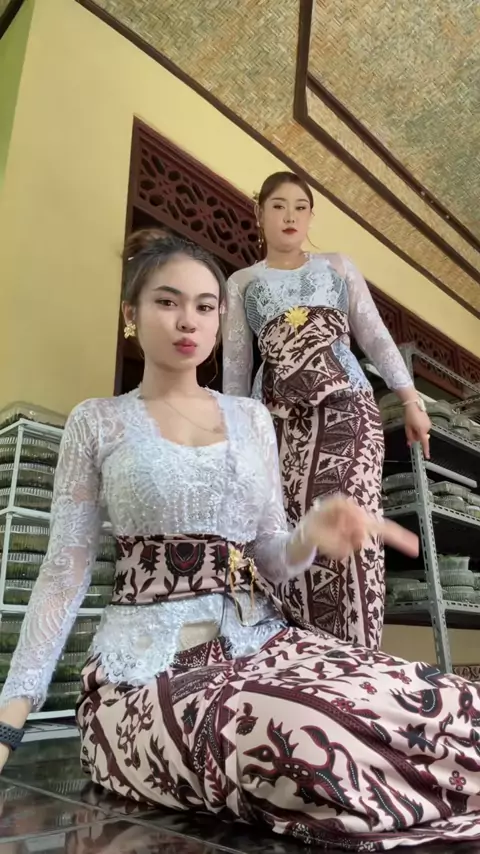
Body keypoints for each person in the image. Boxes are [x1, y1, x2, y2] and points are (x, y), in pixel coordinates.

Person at [0, 232, 478, 851]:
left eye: (205, 306)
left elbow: (268, 557)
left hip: (262, 644)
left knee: (440, 698)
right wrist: (11, 716)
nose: (188, 321)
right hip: (146, 673)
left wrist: (309, 535)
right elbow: (64, 573)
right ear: (130, 314)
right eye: (167, 302)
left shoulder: (252, 420)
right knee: (309, 742)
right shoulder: (98, 421)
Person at [222, 171, 431, 650]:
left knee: (351, 524)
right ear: (259, 214)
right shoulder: (242, 282)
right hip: (277, 422)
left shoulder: (338, 266)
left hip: (349, 411)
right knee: (287, 530)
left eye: (300, 206)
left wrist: (410, 400)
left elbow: (375, 335)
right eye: (278, 205)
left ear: (311, 216)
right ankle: (299, 657)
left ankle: (357, 654)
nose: (290, 216)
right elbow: (236, 367)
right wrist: (238, 441)